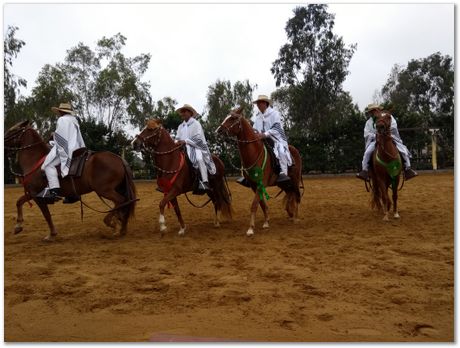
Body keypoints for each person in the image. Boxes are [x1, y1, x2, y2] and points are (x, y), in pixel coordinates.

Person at [237, 95, 292, 187]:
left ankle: (281, 172)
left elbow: (277, 127)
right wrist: (251, 129)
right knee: (248, 151)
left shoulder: (274, 114)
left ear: (265, 103)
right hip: (260, 139)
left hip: (274, 138)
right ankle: (246, 175)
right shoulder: (258, 116)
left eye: (260, 103)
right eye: (257, 103)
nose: (258, 105)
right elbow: (255, 128)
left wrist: (265, 134)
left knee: (280, 151)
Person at [37, 102, 85, 202]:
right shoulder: (74, 120)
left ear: (61, 111)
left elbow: (61, 138)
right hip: (77, 147)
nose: (59, 113)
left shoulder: (62, 120)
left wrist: (52, 141)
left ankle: (54, 191)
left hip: (67, 148)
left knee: (48, 165)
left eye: (59, 112)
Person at [356, 103, 418, 181]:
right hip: (375, 140)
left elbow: (394, 127)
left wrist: (385, 131)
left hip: (390, 138)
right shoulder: (368, 122)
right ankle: (364, 171)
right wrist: (375, 135)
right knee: (367, 153)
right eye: (371, 111)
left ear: (378, 110)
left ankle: (408, 169)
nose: (373, 112)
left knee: (403, 151)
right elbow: (366, 133)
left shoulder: (389, 117)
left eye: (374, 110)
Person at [175, 104, 216, 193]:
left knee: (199, 159)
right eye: (182, 112)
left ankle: (204, 182)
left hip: (196, 147)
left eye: (184, 111)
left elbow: (198, 138)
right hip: (182, 148)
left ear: (190, 113)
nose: (182, 113)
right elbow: (177, 137)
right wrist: (177, 142)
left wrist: (186, 141)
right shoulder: (180, 126)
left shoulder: (196, 124)